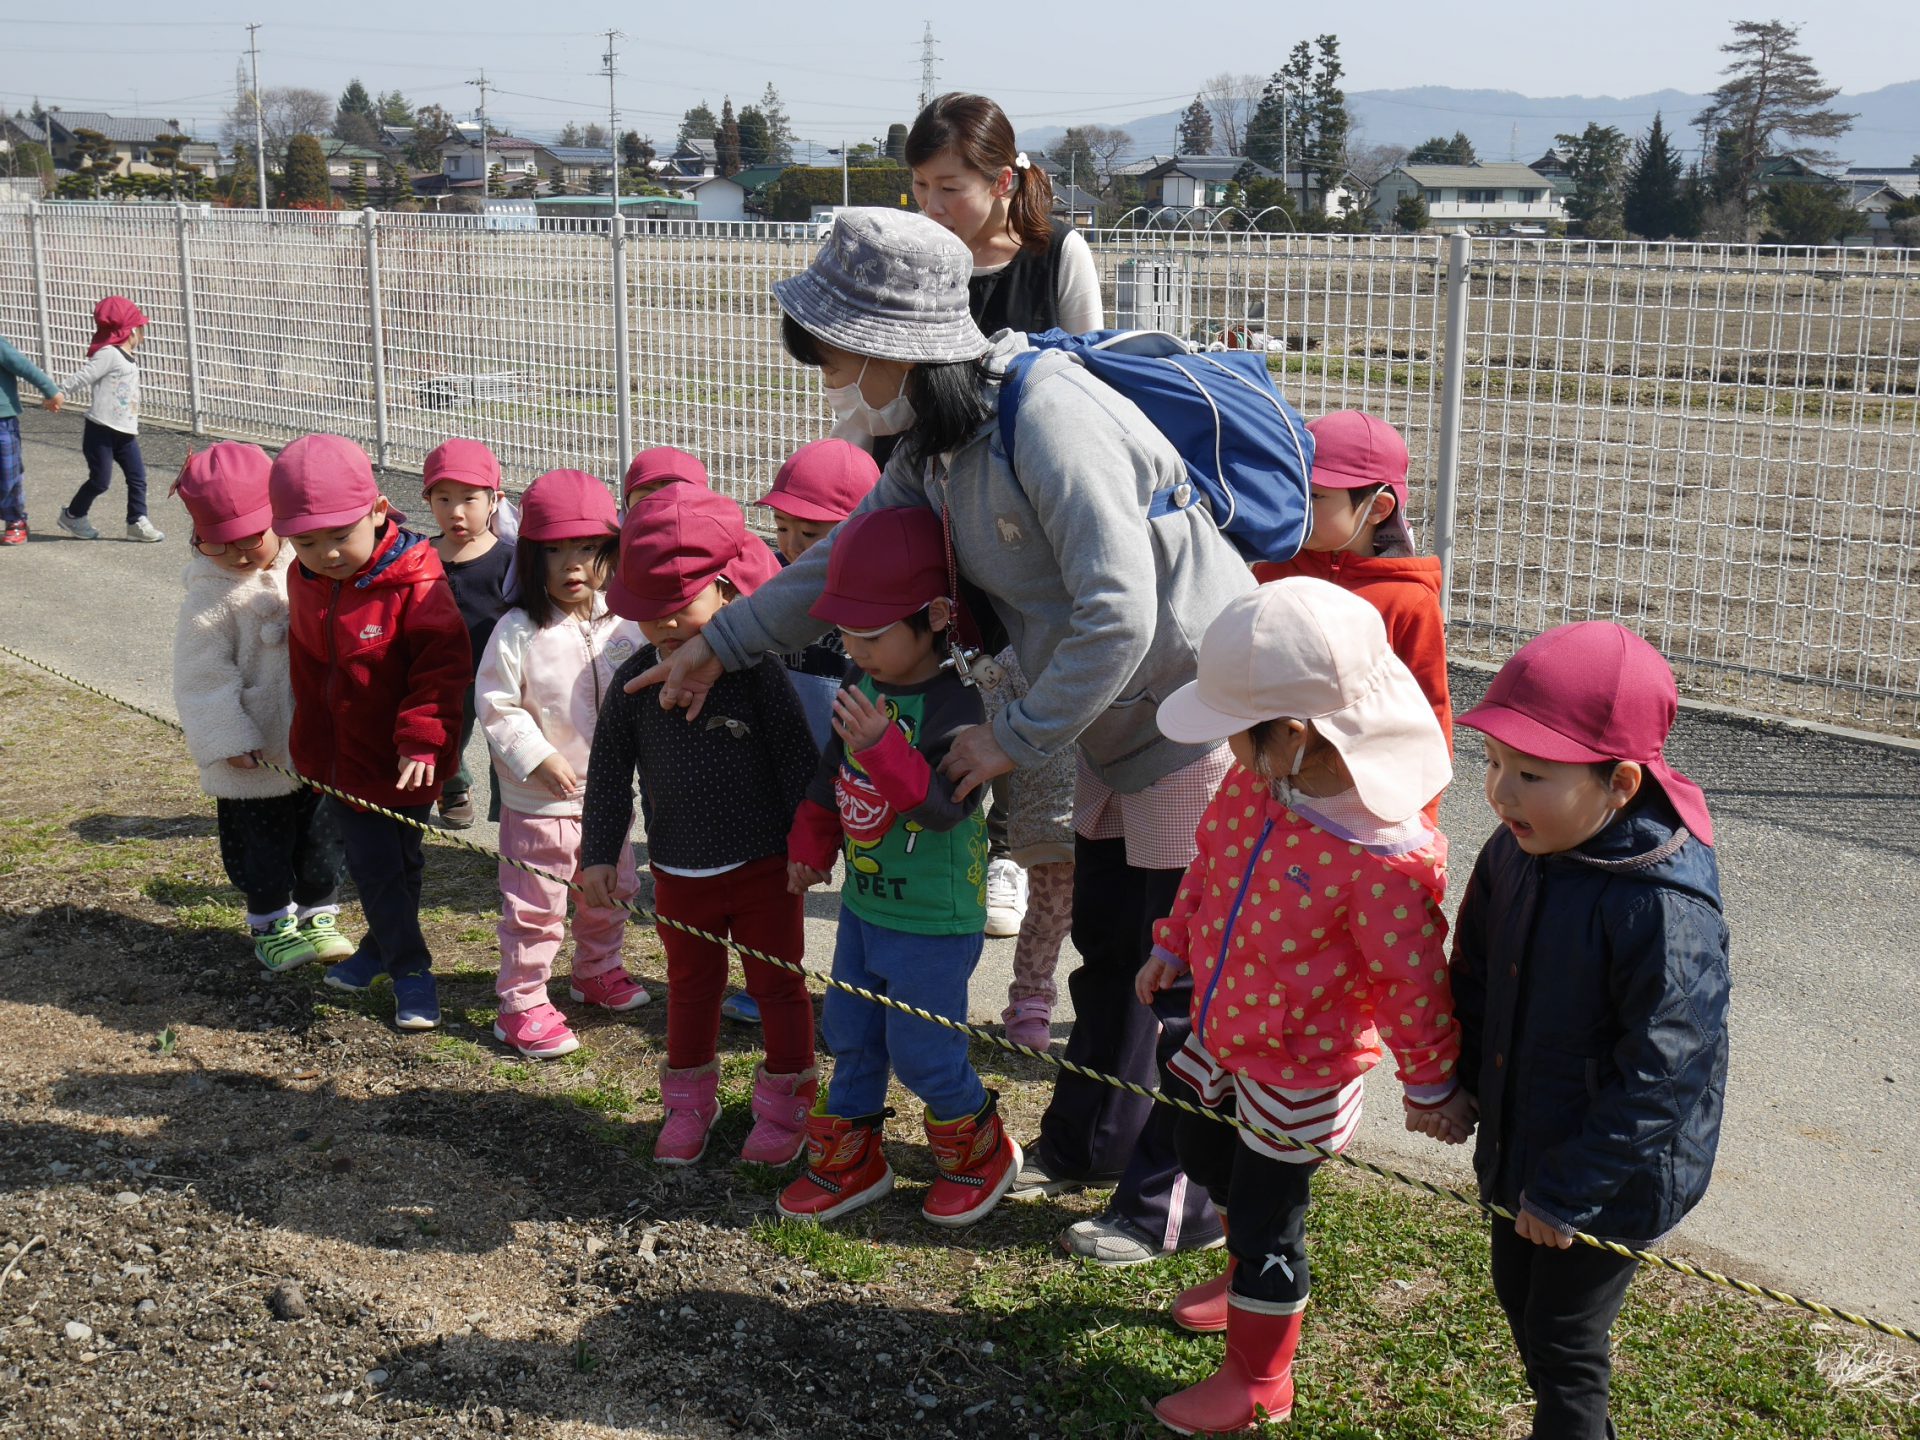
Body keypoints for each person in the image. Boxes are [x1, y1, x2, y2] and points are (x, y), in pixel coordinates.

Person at [633, 209, 1254, 1266]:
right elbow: (842, 565)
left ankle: (1180, 1196)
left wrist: (1014, 737)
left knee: (1175, 963)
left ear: (893, 346)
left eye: (837, 354)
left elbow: (1120, 611)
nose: (834, 379)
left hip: (1188, 708)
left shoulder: (1045, 418)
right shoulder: (936, 441)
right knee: (1114, 946)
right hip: (1106, 712)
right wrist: (717, 646)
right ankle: (1095, 1145)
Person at [1135, 578, 1468, 1435]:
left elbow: (1413, 982)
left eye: (1234, 728)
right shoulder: (1258, 786)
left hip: (1300, 1064)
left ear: (1291, 734)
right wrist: (1174, 941)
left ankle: (1260, 1376)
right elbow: (1210, 864)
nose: (1226, 747)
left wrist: (1431, 1082)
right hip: (1224, 1025)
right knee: (1199, 1143)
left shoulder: (1381, 856)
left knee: (1271, 1214)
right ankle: (1240, 1269)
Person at [1450, 621, 1730, 1440]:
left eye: (1532, 774)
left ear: (1620, 783)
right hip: (1526, 1138)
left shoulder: (1661, 907)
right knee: (1518, 1295)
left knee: (1564, 1337)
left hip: (1612, 1174)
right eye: (1493, 762)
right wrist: (1459, 1079)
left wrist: (1572, 1191)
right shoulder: (1517, 850)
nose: (1500, 793)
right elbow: (1475, 971)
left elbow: (1663, 1075)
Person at [778, 506, 1016, 1227]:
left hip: (934, 916)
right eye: (847, 632)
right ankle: (854, 1158)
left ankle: (980, 1149)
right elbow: (832, 770)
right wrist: (811, 841)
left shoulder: (959, 703)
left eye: (873, 634)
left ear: (936, 616)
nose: (855, 649)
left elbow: (943, 808)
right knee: (850, 1030)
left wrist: (884, 747)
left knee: (922, 1047)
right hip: (866, 903)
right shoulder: (865, 677)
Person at [907, 91, 1107, 942]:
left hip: (1028, 514)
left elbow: (1093, 379)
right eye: (919, 187)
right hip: (929, 494)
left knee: (1020, 673)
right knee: (944, 670)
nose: (931, 205)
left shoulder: (1057, 254)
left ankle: (1011, 854)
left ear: (1001, 180)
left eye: (948, 186)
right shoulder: (922, 257)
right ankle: (938, 839)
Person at [578, 483, 819, 1167]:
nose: (666, 626)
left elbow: (798, 762)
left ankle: (788, 1103)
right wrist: (599, 853)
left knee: (777, 984)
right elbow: (608, 773)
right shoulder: (635, 684)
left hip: (765, 868)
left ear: (724, 590)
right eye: (650, 612)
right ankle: (688, 1103)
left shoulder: (757, 675)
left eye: (681, 605)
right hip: (680, 873)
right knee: (690, 988)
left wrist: (807, 843)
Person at [270, 434, 471, 1031]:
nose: (327, 553)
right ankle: (399, 961)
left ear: (379, 512)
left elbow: (443, 668)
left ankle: (397, 959)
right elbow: (307, 666)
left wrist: (423, 736)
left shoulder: (417, 584)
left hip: (406, 757)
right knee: (381, 865)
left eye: (340, 535)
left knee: (394, 863)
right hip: (340, 758)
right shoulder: (304, 578)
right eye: (307, 542)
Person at [476, 469, 650, 1060]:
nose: (572, 565)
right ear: (531, 556)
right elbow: (496, 703)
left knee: (612, 887)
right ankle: (521, 1002)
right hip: (539, 802)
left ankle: (596, 969)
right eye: (554, 551)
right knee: (536, 905)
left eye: (587, 548)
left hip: (607, 799)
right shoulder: (518, 629)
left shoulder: (624, 623)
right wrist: (537, 756)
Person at [717, 434, 877, 1031]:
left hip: (860, 770)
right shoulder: (776, 586)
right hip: (785, 768)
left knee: (866, 884)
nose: (790, 546)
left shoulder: (879, 601)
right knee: (778, 880)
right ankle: (774, 985)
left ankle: (864, 997)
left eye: (810, 534)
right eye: (782, 527)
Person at [170, 442, 349, 973]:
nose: (241, 554)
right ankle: (271, 922)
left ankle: (319, 913)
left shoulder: (306, 567)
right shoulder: (209, 600)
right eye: (221, 544)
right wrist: (229, 738)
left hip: (314, 740)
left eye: (253, 537)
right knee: (261, 842)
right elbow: (202, 678)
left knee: (322, 832)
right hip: (255, 750)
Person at [1253, 410, 1451, 823]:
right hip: (1266, 780)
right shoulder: (1270, 572)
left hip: (1363, 796)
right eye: (1293, 488)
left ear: (1377, 507)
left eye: (1315, 496)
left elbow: (1428, 709)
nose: (1295, 506)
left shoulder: (1407, 600)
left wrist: (1422, 811)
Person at [978, 648, 1076, 1050]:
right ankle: (1031, 999)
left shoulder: (1128, 643)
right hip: (1051, 810)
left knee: (1122, 918)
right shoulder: (1024, 648)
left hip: (1124, 808)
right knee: (1048, 914)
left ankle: (1128, 1002)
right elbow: (990, 702)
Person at [424, 437, 515, 830]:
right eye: (443, 499)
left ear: (495, 500)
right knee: (446, 735)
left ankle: (512, 806)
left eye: (469, 499)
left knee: (507, 741)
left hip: (500, 675)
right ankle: (453, 787)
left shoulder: (510, 559)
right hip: (442, 674)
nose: (455, 512)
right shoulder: (419, 557)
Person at [55, 296, 163, 543]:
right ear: (132, 330)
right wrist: (60, 392)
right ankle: (73, 515)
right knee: (100, 481)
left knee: (137, 477)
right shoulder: (109, 354)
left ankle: (136, 521)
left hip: (125, 432)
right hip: (101, 430)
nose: (143, 333)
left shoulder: (126, 356)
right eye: (141, 327)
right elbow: (84, 375)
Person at [0, 329, 62, 545]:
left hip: (3, 420)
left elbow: (24, 367)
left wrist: (51, 391)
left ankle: (15, 519)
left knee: (8, 473)